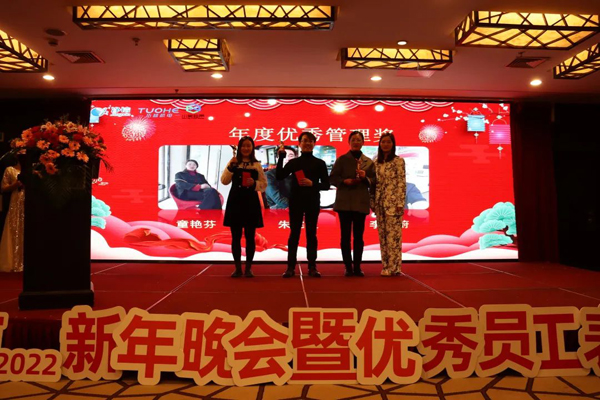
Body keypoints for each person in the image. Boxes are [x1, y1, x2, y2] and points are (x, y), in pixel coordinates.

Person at [277, 132, 330, 278]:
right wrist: (281, 157)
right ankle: (290, 267)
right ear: (299, 143)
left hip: (312, 201)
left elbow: (326, 185)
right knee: (294, 234)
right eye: (305, 140)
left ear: (314, 143)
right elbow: (279, 176)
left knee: (311, 234)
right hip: (296, 201)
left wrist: (313, 184)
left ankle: (312, 266)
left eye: (310, 141)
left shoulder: (320, 163)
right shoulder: (294, 163)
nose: (307, 143)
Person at [330, 131, 375, 277]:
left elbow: (374, 181)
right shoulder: (342, 160)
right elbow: (332, 178)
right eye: (353, 140)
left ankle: (357, 267)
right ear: (349, 142)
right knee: (345, 237)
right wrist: (344, 181)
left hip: (360, 203)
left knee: (358, 237)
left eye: (358, 140)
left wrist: (365, 178)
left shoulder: (369, 162)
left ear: (363, 142)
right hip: (345, 202)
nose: (356, 142)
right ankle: (348, 267)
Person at [221, 137, 267, 278]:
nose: (246, 148)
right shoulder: (233, 162)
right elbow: (224, 181)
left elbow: (264, 185)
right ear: (239, 148)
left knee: (250, 237)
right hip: (235, 202)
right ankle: (237, 268)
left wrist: (254, 183)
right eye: (243, 146)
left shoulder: (256, 165)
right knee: (235, 237)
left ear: (252, 148)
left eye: (249, 146)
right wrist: (230, 167)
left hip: (251, 202)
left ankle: (248, 268)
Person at [372, 132, 406, 276]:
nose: (385, 144)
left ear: (393, 144)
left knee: (394, 238)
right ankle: (385, 266)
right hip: (379, 204)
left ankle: (395, 267)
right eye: (383, 142)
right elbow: (374, 185)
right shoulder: (376, 162)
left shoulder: (398, 161)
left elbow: (401, 183)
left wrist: (400, 202)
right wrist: (373, 202)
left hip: (394, 204)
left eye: (388, 142)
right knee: (383, 237)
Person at [0, 155, 24, 273]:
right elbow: (3, 188)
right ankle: (14, 261)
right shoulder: (10, 170)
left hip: (29, 201)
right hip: (16, 200)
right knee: (15, 227)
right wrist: (15, 185)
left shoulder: (34, 170)